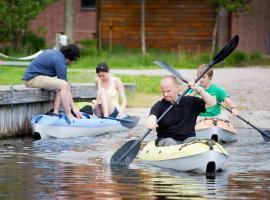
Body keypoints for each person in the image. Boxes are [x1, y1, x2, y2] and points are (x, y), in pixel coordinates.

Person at [146, 75, 216, 146]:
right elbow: (152, 117)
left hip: (187, 140)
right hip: (166, 140)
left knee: (194, 141)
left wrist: (200, 90)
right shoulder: (159, 105)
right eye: (163, 91)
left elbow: (212, 103)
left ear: (177, 88)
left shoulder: (190, 101)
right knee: (171, 142)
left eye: (168, 91)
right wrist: (151, 122)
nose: (165, 94)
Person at [22, 44, 82, 119]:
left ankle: (55, 113)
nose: (72, 62)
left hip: (36, 78)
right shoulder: (60, 61)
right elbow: (63, 84)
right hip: (31, 79)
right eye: (74, 59)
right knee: (63, 84)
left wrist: (74, 107)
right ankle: (69, 115)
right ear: (71, 57)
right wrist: (74, 108)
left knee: (65, 85)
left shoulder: (57, 54)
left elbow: (65, 86)